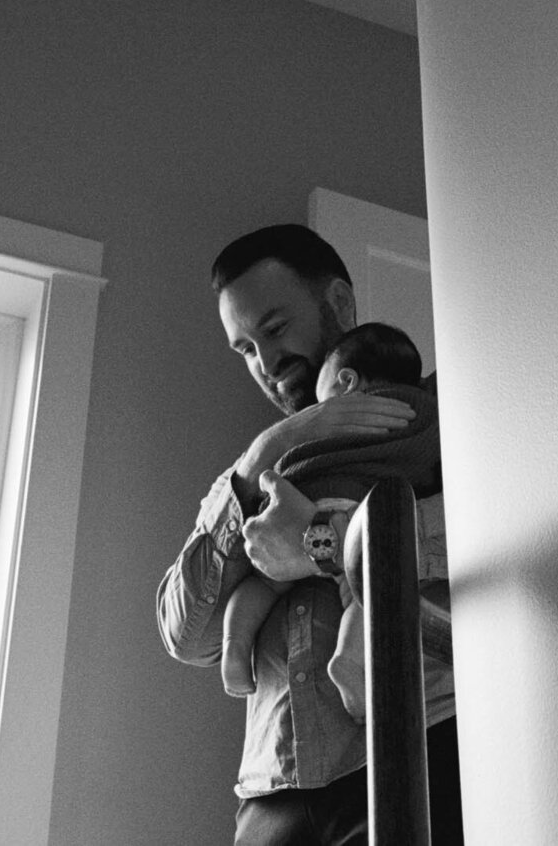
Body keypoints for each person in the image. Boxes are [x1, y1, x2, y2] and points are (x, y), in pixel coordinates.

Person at [157, 224, 463, 846]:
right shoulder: (256, 476)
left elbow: (481, 541)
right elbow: (183, 634)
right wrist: (266, 450)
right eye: (245, 349)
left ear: (339, 306)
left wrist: (322, 543)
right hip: (273, 794)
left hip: (417, 752)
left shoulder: (434, 419)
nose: (267, 363)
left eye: (274, 330)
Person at [219, 322, 440, 720]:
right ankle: (348, 660)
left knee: (264, 583)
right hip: (358, 508)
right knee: (362, 590)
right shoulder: (425, 410)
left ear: (347, 381)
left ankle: (236, 647)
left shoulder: (317, 426)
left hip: (294, 498)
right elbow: (428, 459)